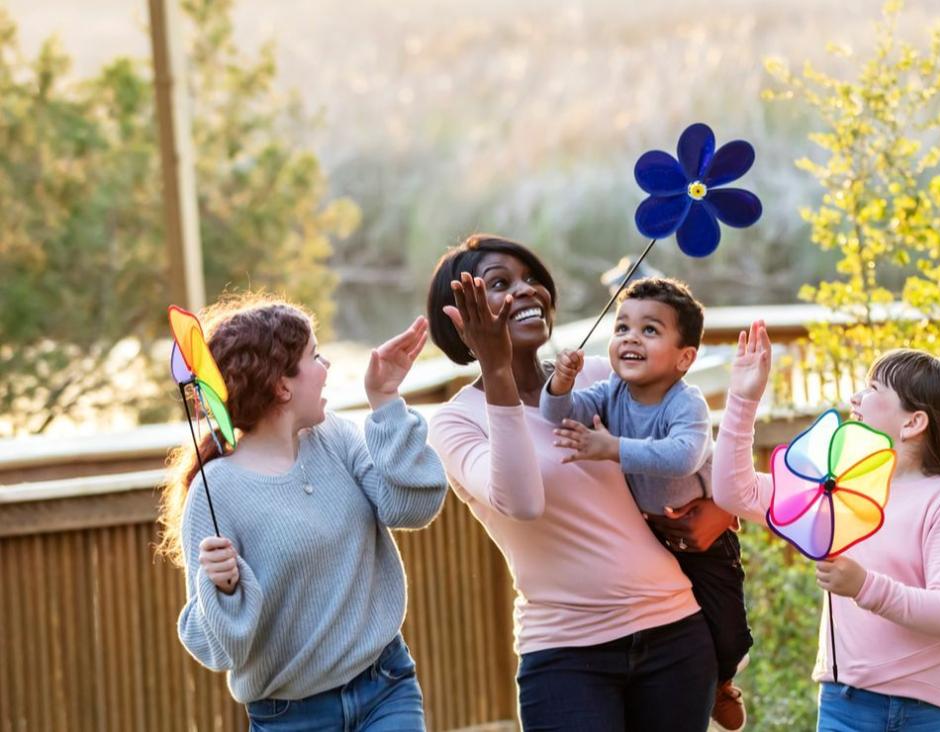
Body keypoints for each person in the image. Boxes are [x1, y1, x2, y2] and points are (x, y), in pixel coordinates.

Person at [424, 235, 721, 730]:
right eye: (501, 283)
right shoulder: (456, 423)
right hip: (566, 654)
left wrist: (721, 509)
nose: (527, 291)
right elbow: (521, 502)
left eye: (532, 278)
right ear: (461, 318)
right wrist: (495, 369)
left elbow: (691, 443)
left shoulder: (601, 378)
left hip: (674, 632)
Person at [162, 296, 446, 730]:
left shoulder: (335, 436)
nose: (326, 365)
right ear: (282, 385)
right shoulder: (214, 493)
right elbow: (217, 651)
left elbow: (410, 508)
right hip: (290, 718)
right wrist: (220, 588)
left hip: (385, 686)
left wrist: (385, 400)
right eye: (314, 355)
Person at [712, 322, 940, 731]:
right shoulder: (831, 484)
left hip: (934, 711)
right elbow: (737, 493)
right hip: (847, 705)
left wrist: (863, 585)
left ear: (913, 423)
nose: (855, 397)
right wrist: (743, 397)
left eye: (873, 389)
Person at [541, 277, 752, 730]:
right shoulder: (609, 393)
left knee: (730, 632)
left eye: (650, 330)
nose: (631, 338)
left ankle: (722, 680)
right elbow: (558, 414)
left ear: (685, 358)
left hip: (707, 538)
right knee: (683, 626)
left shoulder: (686, 402)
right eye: (622, 328)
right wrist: (560, 383)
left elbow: (684, 456)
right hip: (651, 535)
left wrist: (612, 447)